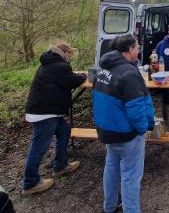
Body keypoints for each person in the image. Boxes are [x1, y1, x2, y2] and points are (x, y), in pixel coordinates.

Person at [93, 35, 154, 213]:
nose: (139, 50)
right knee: (130, 177)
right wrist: (144, 128)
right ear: (129, 50)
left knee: (111, 168)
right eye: (137, 47)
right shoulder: (129, 73)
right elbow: (136, 108)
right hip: (127, 134)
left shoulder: (102, 69)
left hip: (107, 131)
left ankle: (109, 206)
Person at [22, 42, 86, 195]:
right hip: (45, 112)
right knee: (39, 146)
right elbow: (74, 81)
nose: (71, 57)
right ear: (65, 53)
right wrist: (84, 75)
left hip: (45, 110)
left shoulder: (50, 63)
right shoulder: (60, 66)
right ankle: (30, 183)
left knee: (64, 130)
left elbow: (65, 79)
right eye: (70, 54)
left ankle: (61, 166)